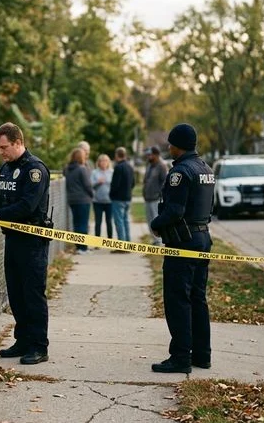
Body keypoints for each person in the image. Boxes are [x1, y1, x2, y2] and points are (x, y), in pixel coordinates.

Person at [0, 122, 51, 365]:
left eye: (4, 147)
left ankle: (38, 346)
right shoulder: (6, 168)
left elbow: (28, 205)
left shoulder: (34, 170)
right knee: (16, 293)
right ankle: (23, 340)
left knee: (33, 293)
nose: (0, 152)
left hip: (33, 241)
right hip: (13, 238)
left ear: (18, 143)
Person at [149, 123, 216, 374]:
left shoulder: (180, 172)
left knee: (178, 300)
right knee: (198, 298)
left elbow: (175, 211)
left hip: (183, 242)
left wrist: (156, 224)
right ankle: (202, 354)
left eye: (171, 143)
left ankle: (180, 357)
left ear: (178, 145)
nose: (169, 147)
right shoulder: (205, 169)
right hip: (202, 239)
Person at [64, 147, 93, 253]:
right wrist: (91, 195)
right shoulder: (82, 169)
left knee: (76, 223)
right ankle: (83, 248)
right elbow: (87, 185)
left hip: (72, 199)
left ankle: (78, 247)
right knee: (83, 224)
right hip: (83, 199)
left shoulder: (67, 169)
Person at [143, 146, 169, 246]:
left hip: (156, 199)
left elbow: (165, 183)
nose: (149, 156)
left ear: (156, 155)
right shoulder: (149, 165)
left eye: (150, 154)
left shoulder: (161, 166)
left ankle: (160, 240)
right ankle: (154, 239)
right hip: (148, 198)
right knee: (149, 220)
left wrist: (160, 194)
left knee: (156, 219)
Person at [109, 146, 135, 244]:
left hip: (118, 198)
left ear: (117, 155)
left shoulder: (118, 167)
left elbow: (115, 184)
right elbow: (133, 183)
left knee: (119, 221)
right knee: (126, 220)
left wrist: (111, 194)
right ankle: (127, 242)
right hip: (128, 197)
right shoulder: (130, 167)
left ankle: (122, 244)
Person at [91, 154, 114, 239]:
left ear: (108, 162)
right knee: (98, 222)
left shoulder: (112, 172)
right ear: (99, 162)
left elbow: (115, 185)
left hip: (109, 201)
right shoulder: (94, 172)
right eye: (102, 161)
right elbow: (91, 185)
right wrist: (98, 182)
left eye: (105, 161)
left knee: (109, 222)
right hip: (97, 201)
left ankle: (110, 241)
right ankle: (97, 241)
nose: (103, 162)